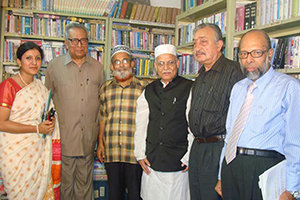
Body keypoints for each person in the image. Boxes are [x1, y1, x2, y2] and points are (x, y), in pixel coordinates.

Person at [215, 29, 300, 200]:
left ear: (269, 54)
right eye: (244, 54)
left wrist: (292, 188)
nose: (249, 59)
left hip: (264, 169)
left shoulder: (289, 87)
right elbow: (230, 135)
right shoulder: (238, 88)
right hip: (231, 167)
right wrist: (220, 175)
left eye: (256, 53)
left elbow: (295, 142)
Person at [45, 23, 104, 200]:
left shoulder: (98, 68)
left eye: (83, 40)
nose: (79, 44)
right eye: (74, 40)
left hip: (88, 140)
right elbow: (46, 103)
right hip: (64, 139)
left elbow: (102, 105)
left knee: (85, 187)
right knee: (64, 186)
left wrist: (99, 141)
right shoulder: (54, 67)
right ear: (66, 43)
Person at [188, 23, 244, 200]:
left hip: (218, 148)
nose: (197, 47)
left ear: (219, 45)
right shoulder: (200, 76)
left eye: (203, 42)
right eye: (195, 43)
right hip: (197, 148)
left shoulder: (234, 72)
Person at [0, 41, 61, 200]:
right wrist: (36, 129)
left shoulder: (41, 88)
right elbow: (2, 123)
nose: (34, 62)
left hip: (38, 152)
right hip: (16, 153)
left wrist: (49, 123)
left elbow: (44, 116)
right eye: (28, 58)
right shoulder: (8, 86)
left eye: (38, 58)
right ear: (19, 61)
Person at [134, 44, 193, 200]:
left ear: (178, 64)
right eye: (161, 63)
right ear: (155, 66)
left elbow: (192, 127)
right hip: (152, 160)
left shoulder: (189, 88)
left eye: (170, 62)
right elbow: (141, 125)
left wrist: (189, 156)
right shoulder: (148, 90)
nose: (166, 67)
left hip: (178, 162)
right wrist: (140, 154)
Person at [97, 45, 147, 200]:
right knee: (114, 195)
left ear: (132, 64)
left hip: (134, 153)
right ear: (112, 66)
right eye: (117, 62)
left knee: (135, 195)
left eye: (125, 61)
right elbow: (103, 118)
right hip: (112, 152)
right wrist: (100, 143)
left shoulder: (143, 87)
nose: (122, 65)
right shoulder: (105, 88)